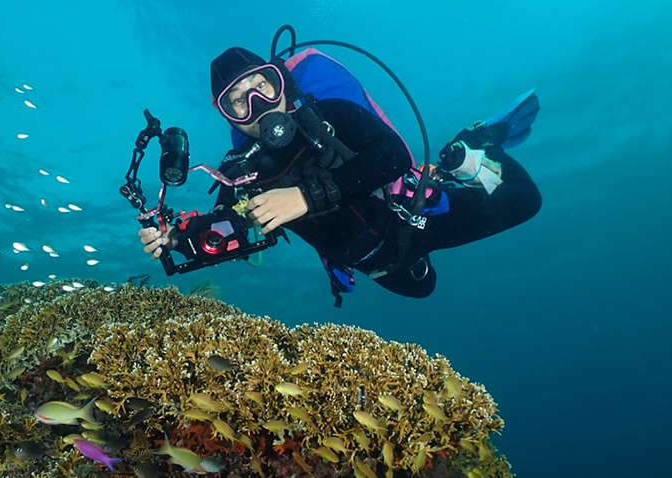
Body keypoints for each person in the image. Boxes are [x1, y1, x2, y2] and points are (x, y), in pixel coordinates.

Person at [139, 46, 542, 303]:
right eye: (239, 101)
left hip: (412, 218)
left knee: (526, 199)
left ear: (281, 82)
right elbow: (230, 227)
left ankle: (476, 143)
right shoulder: (240, 169)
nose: (258, 103)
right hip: (368, 259)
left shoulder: (328, 114)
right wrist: (177, 239)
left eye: (262, 86)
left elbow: (393, 155)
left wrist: (305, 198)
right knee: (421, 287)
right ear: (226, 114)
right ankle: (418, 255)